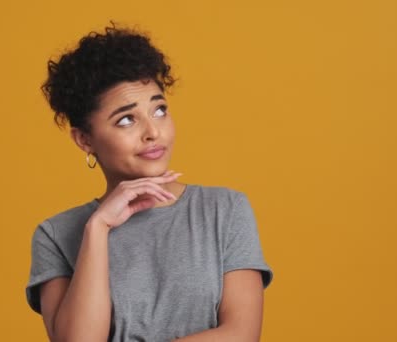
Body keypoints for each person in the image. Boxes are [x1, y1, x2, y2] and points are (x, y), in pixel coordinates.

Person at [26, 23, 274, 342]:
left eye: (159, 110)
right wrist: (98, 228)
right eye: (127, 119)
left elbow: (241, 334)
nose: (152, 132)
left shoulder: (225, 210)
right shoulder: (56, 236)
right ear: (84, 139)